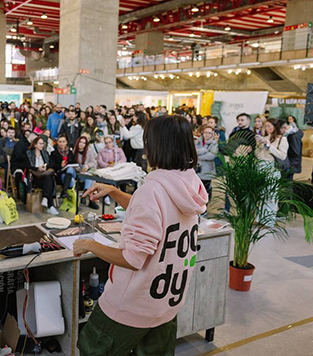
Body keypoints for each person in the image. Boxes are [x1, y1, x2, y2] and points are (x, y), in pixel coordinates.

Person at [73, 115, 208, 356]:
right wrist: (114, 191)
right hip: (167, 301)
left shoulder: (152, 190)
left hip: (133, 303)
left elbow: (133, 258)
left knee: (91, 351)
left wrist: (89, 244)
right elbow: (156, 210)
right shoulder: (190, 185)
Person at [254, 119, 289, 222]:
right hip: (261, 166)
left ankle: (269, 221)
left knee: (271, 195)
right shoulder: (264, 137)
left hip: (272, 168)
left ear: (275, 127)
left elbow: (282, 156)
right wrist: (258, 145)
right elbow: (258, 155)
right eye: (266, 126)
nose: (267, 128)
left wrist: (269, 146)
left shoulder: (282, 139)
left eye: (269, 126)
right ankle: (260, 219)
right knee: (261, 195)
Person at [27, 136, 59, 215]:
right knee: (50, 178)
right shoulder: (29, 153)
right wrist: (37, 168)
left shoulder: (45, 153)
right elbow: (27, 165)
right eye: (40, 143)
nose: (42, 145)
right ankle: (50, 205)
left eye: (43, 143)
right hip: (34, 176)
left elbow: (51, 164)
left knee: (49, 177)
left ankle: (46, 199)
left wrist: (45, 167)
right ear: (35, 145)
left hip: (44, 176)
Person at [49, 134, 77, 199]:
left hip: (72, 172)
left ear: (66, 142)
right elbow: (52, 165)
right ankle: (65, 192)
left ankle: (64, 191)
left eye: (63, 141)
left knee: (70, 169)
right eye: (60, 142)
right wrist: (60, 165)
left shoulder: (70, 152)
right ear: (57, 142)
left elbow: (74, 162)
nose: (62, 144)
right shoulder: (54, 153)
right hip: (61, 174)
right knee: (72, 181)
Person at [195, 125, 218, 199]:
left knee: (206, 189)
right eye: (206, 132)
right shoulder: (197, 141)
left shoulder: (214, 143)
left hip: (207, 170)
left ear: (212, 134)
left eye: (209, 133)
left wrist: (198, 156)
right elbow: (193, 151)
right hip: (197, 169)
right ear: (202, 133)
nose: (207, 134)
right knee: (197, 189)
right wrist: (205, 150)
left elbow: (211, 156)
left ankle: (206, 206)